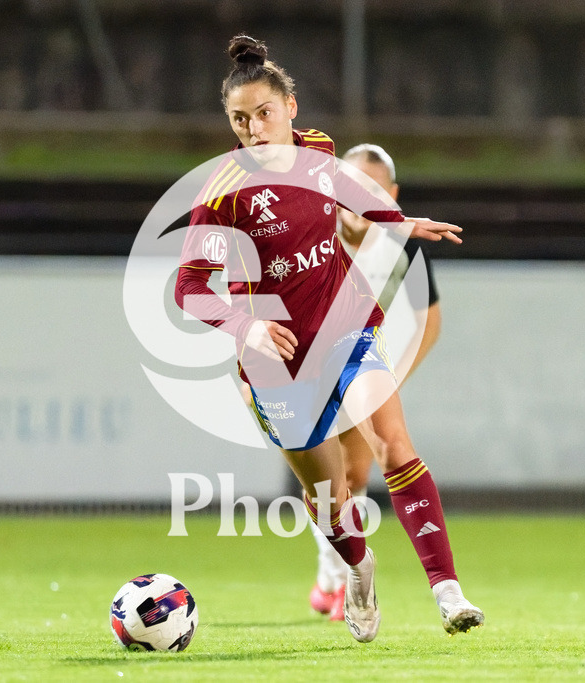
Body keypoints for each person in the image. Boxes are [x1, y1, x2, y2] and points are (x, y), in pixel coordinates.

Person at [174, 34, 483, 643]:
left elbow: (345, 188)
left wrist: (400, 220)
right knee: (328, 495)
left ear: (291, 106)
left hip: (348, 330)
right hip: (277, 364)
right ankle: (358, 568)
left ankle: (449, 592)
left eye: (263, 112)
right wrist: (247, 325)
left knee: (394, 445)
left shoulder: (317, 150)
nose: (254, 129)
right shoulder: (222, 193)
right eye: (240, 120)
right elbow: (189, 287)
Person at [307, 143, 443, 622]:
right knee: (324, 479)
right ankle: (332, 578)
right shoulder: (313, 232)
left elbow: (430, 321)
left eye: (373, 189)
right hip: (305, 367)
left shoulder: (401, 242)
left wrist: (395, 375)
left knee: (353, 476)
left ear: (392, 194)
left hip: (359, 365)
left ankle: (338, 582)